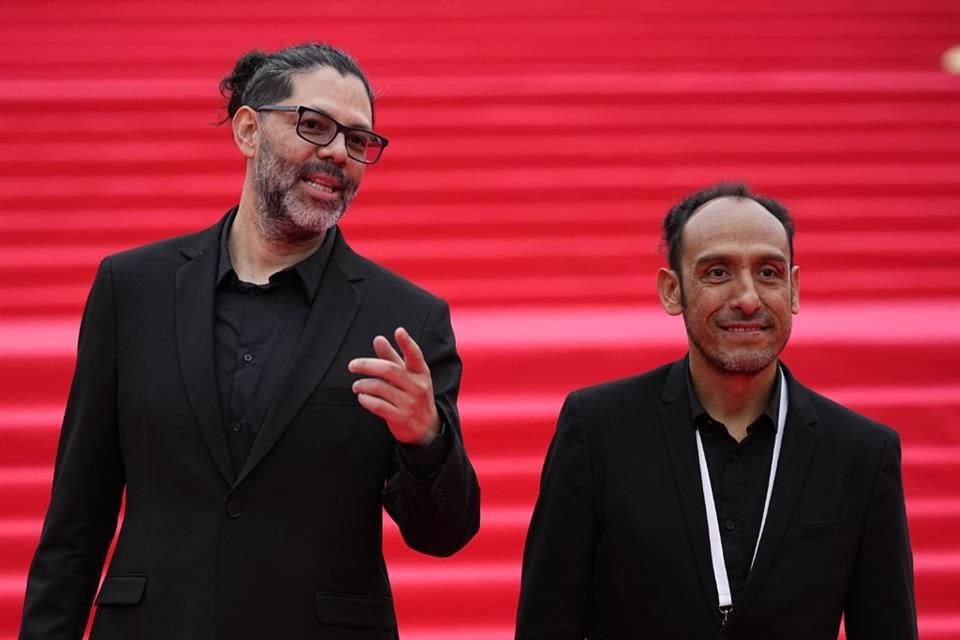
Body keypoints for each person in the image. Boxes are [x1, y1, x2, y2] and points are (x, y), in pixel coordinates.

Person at [20, 43, 480, 640]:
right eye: (314, 126)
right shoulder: (132, 290)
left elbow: (443, 535)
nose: (339, 153)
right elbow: (76, 519)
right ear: (246, 130)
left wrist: (426, 441)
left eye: (359, 140)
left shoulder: (404, 319)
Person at [515, 182, 916, 639]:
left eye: (768, 272)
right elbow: (546, 625)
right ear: (672, 291)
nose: (748, 298)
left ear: (795, 289)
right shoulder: (597, 430)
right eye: (718, 273)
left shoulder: (862, 453)